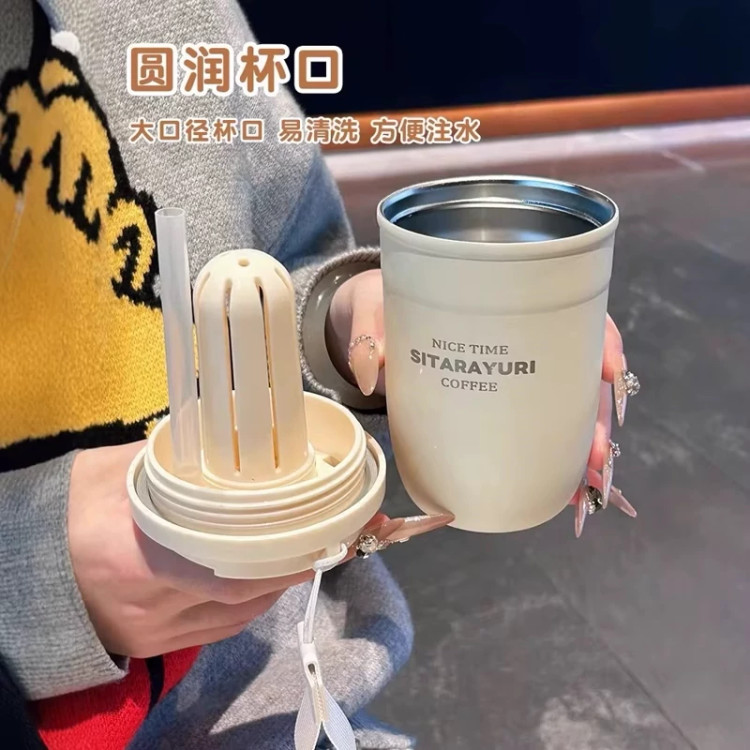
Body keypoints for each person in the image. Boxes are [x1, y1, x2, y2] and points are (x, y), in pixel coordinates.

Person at [0, 1, 638, 748]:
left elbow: (288, 257)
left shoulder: (175, 16)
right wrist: (31, 572)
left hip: (293, 700)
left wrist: (348, 325)